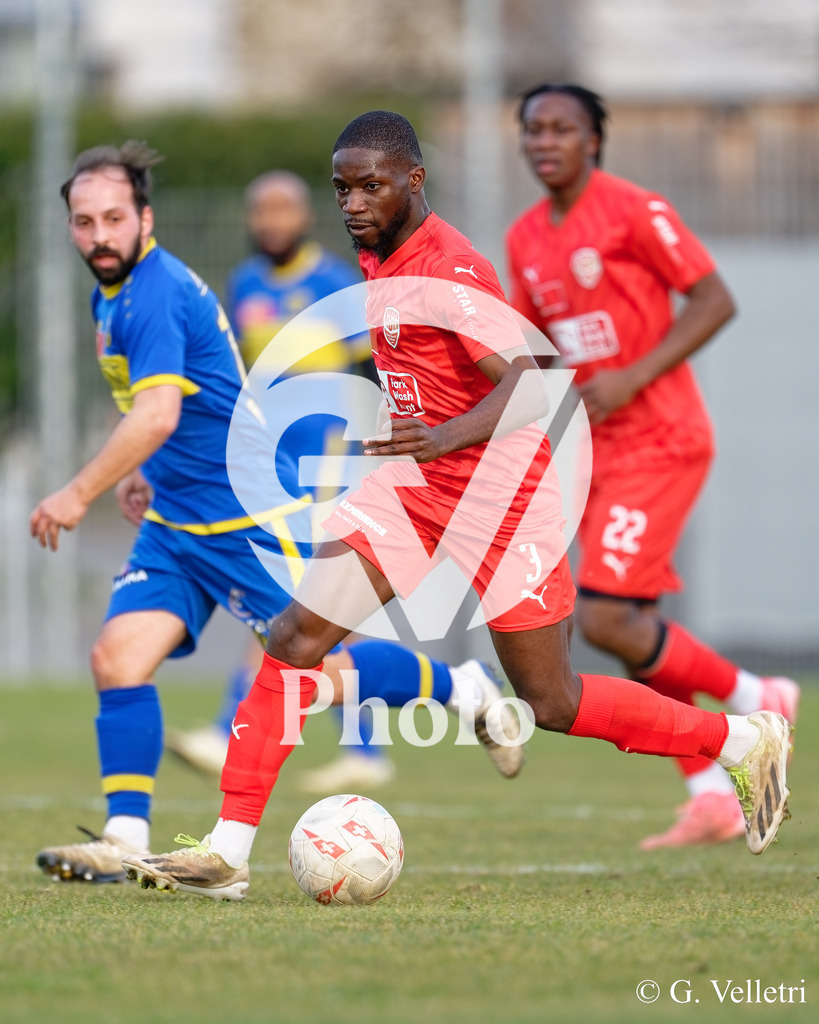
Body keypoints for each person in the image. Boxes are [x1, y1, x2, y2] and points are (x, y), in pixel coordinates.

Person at [122, 111, 792, 903]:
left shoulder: (450, 267)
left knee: (552, 701)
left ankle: (741, 737)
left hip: (505, 503)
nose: (353, 202)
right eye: (342, 187)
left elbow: (528, 378)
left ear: (414, 181)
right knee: (295, 634)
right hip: (414, 489)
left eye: (371, 185)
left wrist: (442, 436)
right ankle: (228, 852)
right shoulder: (376, 256)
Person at [29, 140, 523, 886]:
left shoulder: (155, 290)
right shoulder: (119, 293)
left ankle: (464, 689)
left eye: (112, 218)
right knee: (116, 658)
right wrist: (136, 470)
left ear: (145, 218)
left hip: (246, 512)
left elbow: (159, 413)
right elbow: (147, 403)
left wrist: (78, 491)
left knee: (318, 668)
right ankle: (125, 838)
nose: (98, 234)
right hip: (176, 523)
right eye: (83, 220)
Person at [505, 83, 800, 849]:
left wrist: (633, 375)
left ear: (593, 140)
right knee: (627, 623)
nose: (544, 141)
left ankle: (753, 694)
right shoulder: (526, 238)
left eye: (561, 128)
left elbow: (713, 299)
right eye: (532, 129)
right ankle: (711, 794)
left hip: (661, 438)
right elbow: (530, 352)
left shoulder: (636, 209)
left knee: (602, 618)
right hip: (596, 452)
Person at [165, 169, 396, 793]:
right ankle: (360, 750)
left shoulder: (334, 285)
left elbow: (374, 378)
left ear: (303, 216)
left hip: (331, 470)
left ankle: (346, 745)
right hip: (271, 472)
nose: (269, 219)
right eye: (259, 209)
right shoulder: (244, 285)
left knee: (315, 606)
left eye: (281, 208)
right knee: (288, 605)